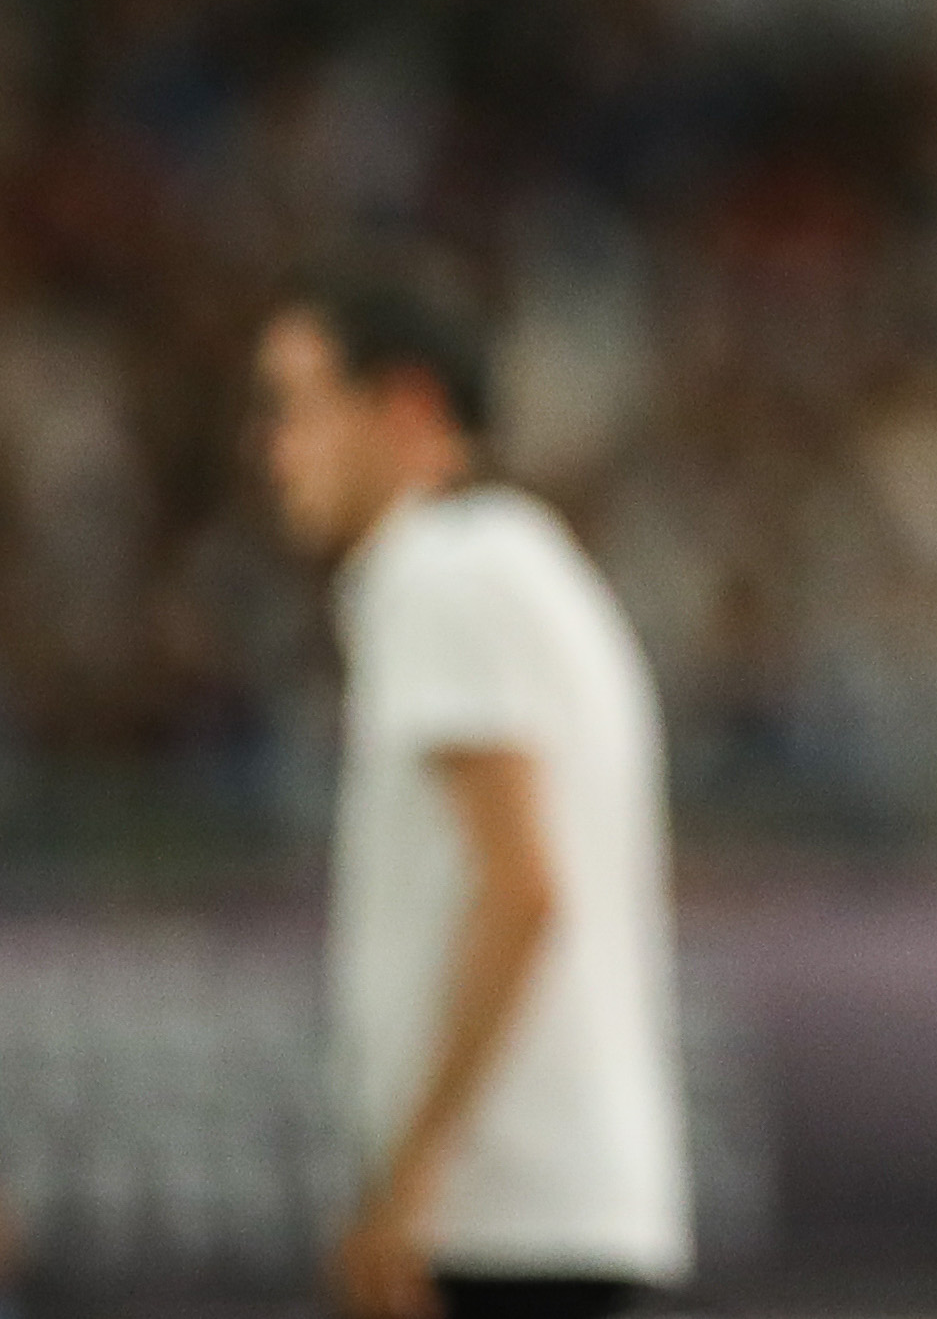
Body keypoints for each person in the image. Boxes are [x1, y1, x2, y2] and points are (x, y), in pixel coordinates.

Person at [255, 264, 690, 1319]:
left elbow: (520, 888)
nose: (273, 448)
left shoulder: (443, 575)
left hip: (507, 1216)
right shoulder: (518, 563)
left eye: (298, 406)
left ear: (406, 407)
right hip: (558, 1205)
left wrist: (413, 1176)